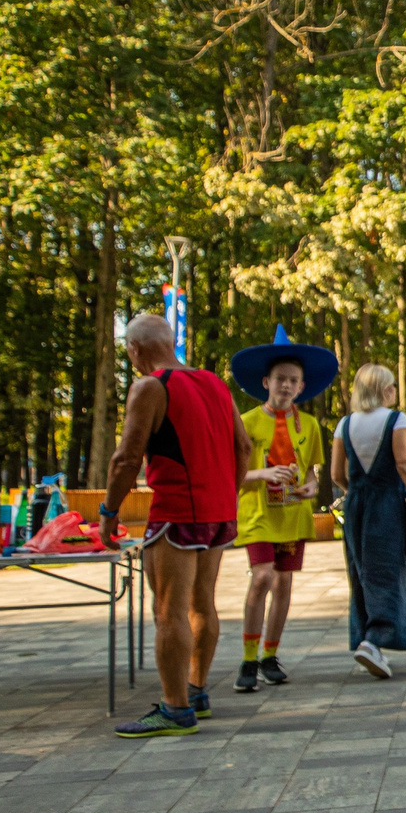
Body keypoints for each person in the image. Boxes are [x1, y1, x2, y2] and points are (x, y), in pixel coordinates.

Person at [102, 312, 252, 737]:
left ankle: (175, 708)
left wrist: (109, 514)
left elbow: (126, 459)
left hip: (176, 514)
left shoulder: (150, 387)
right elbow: (242, 446)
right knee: (201, 604)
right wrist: (227, 493)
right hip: (217, 511)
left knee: (169, 611)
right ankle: (197, 690)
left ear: (135, 350)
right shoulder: (215, 384)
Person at [229, 326, 337, 691]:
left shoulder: (309, 425)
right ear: (266, 382)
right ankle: (247, 657)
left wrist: (309, 488)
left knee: (285, 583)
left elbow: (311, 474)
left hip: (293, 514)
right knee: (262, 578)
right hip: (258, 514)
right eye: (280, 379)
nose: (286, 386)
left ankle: (269, 655)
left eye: (293, 380)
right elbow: (232, 475)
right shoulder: (246, 422)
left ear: (302, 386)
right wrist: (261, 472)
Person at [330, 364, 406, 680]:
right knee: (388, 567)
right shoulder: (396, 419)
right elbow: (402, 462)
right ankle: (374, 640)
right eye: (393, 386)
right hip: (388, 502)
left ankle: (369, 642)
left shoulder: (344, 424)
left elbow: (336, 475)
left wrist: (356, 491)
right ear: (385, 390)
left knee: (361, 570)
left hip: (357, 504)